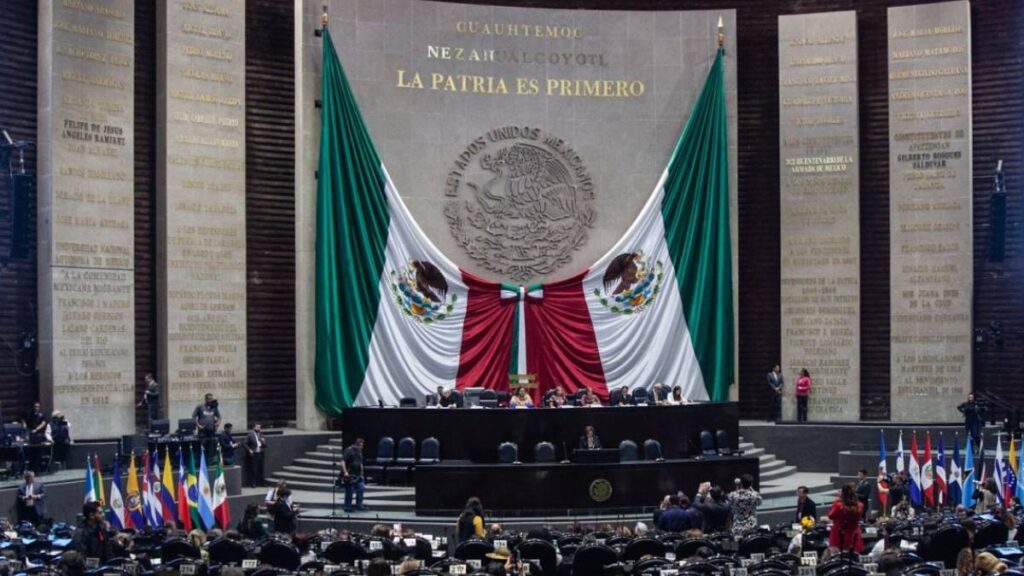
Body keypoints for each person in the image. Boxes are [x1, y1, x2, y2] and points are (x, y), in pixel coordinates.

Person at [828, 483, 864, 553]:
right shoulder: (860, 506)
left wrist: (837, 500)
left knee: (837, 556)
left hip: (839, 535)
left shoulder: (838, 505)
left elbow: (831, 515)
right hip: (853, 534)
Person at [340, 437, 366, 512]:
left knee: (361, 488)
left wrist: (362, 473)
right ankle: (347, 506)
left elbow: (360, 463)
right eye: (361, 445)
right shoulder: (349, 450)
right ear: (357, 445)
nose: (362, 447)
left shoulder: (359, 452)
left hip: (358, 475)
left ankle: (359, 505)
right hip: (350, 474)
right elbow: (343, 461)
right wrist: (345, 472)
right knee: (350, 490)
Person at [243, 422, 267, 488]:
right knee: (254, 469)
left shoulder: (261, 434)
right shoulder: (250, 434)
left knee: (261, 468)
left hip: (261, 453)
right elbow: (244, 443)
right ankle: (253, 483)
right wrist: (249, 450)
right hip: (254, 454)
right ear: (254, 427)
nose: (258, 428)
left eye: (259, 427)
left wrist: (263, 441)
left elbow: (265, 445)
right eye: (257, 427)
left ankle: (261, 482)